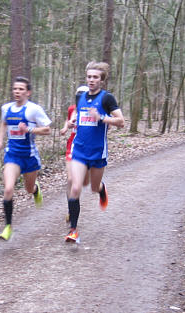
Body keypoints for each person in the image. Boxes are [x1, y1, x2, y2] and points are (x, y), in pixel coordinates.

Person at [65, 61, 125, 243]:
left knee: (92, 187)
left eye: (95, 77)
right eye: (89, 77)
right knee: (75, 187)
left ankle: (101, 189)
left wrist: (102, 118)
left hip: (98, 152)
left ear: (102, 80)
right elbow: (77, 116)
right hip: (79, 150)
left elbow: (121, 121)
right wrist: (71, 123)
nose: (91, 80)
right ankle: (73, 230)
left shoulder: (107, 99)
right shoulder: (81, 97)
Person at [0, 76, 52, 241]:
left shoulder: (34, 109)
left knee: (28, 189)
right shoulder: (6, 108)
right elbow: (4, 123)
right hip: (12, 155)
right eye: (15, 89)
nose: (17, 92)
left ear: (28, 92)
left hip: (30, 156)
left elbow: (47, 130)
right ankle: (8, 227)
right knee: (8, 189)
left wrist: (29, 130)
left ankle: (36, 190)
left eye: (20, 89)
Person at [60, 86, 90, 223]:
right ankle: (71, 210)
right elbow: (69, 121)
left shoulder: (93, 109)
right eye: (79, 95)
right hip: (72, 145)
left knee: (83, 182)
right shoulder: (72, 109)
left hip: (88, 147)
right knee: (71, 179)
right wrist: (66, 127)